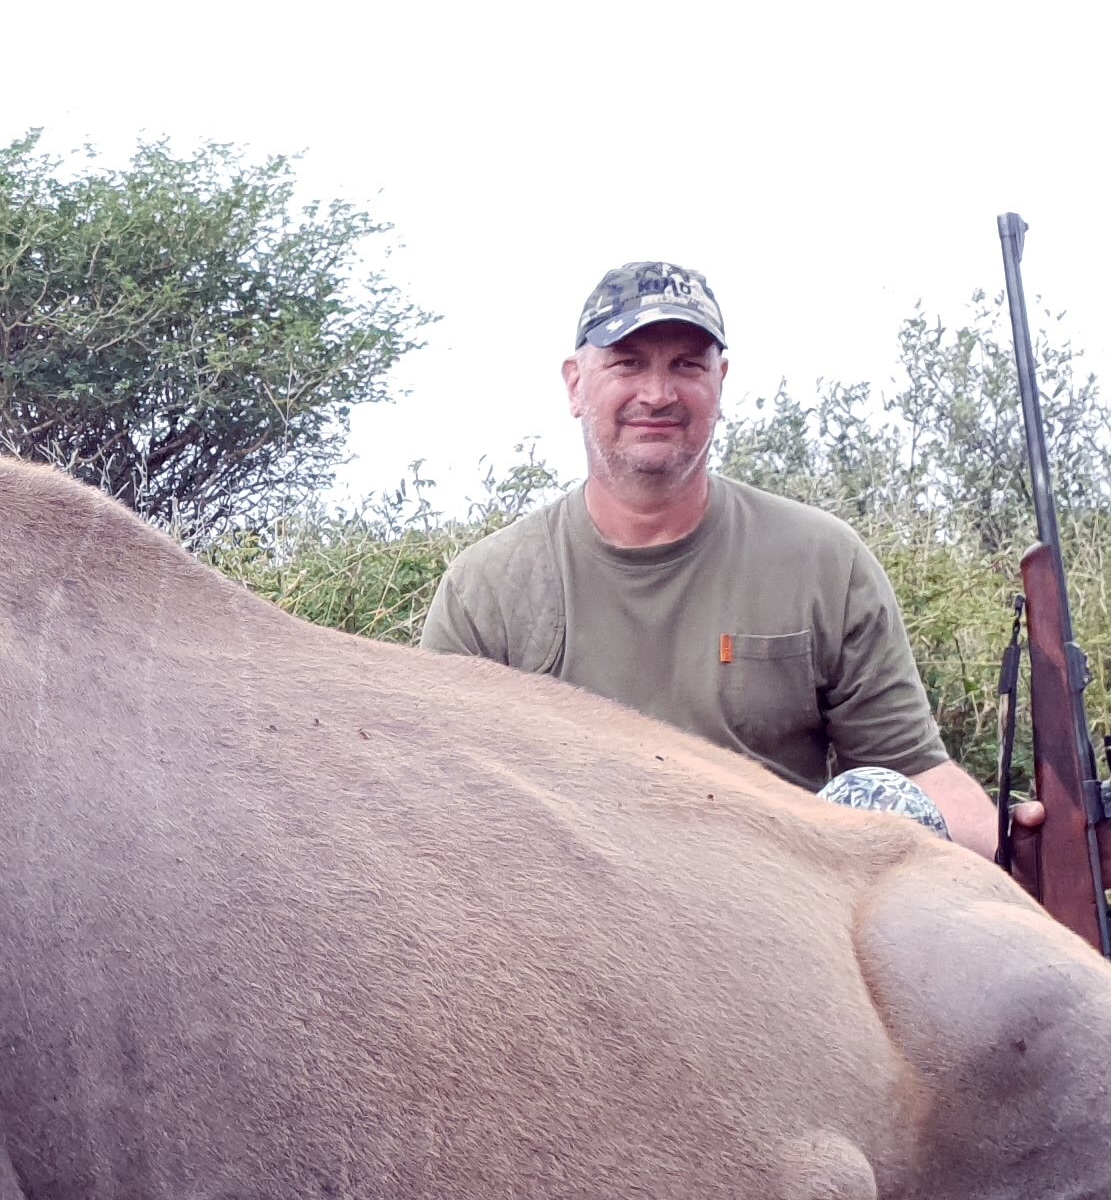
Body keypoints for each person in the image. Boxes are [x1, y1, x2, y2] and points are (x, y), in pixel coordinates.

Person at [417, 261, 1006, 849]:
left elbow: (915, 776)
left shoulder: (825, 563)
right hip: (565, 921)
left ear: (720, 381)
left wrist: (1008, 842)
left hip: (778, 918)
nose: (657, 394)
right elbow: (436, 805)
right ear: (575, 384)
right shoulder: (486, 590)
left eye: (687, 365)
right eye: (627, 363)